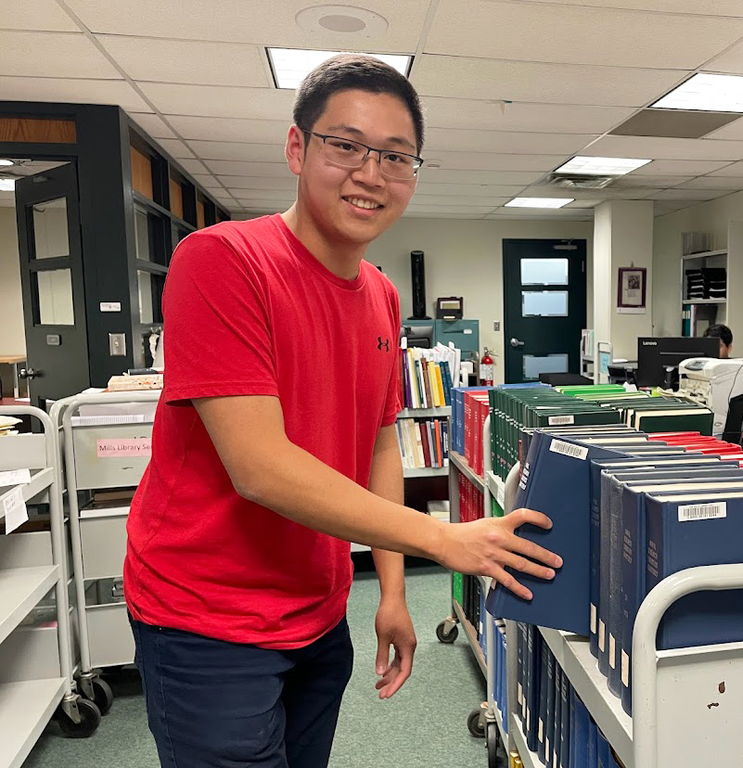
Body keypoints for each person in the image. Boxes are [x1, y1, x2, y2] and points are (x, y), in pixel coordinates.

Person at [123, 55, 559, 768]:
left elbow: (380, 445)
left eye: (396, 156)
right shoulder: (222, 260)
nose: (370, 173)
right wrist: (442, 540)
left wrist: (392, 590)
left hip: (319, 612)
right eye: (345, 145)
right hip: (207, 619)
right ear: (297, 149)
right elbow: (259, 467)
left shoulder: (383, 297)